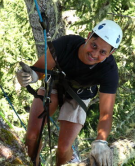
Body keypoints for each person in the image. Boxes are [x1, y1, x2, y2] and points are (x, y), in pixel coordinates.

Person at [16, 19, 123, 166]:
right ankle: (33, 163)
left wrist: (101, 140)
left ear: (111, 53)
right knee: (32, 136)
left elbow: (106, 112)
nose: (94, 53)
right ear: (89, 36)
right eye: (94, 45)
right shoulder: (67, 44)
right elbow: (39, 69)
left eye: (103, 52)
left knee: (63, 149)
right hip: (54, 85)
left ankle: (66, 162)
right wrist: (30, 76)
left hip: (80, 95)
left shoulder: (109, 70)